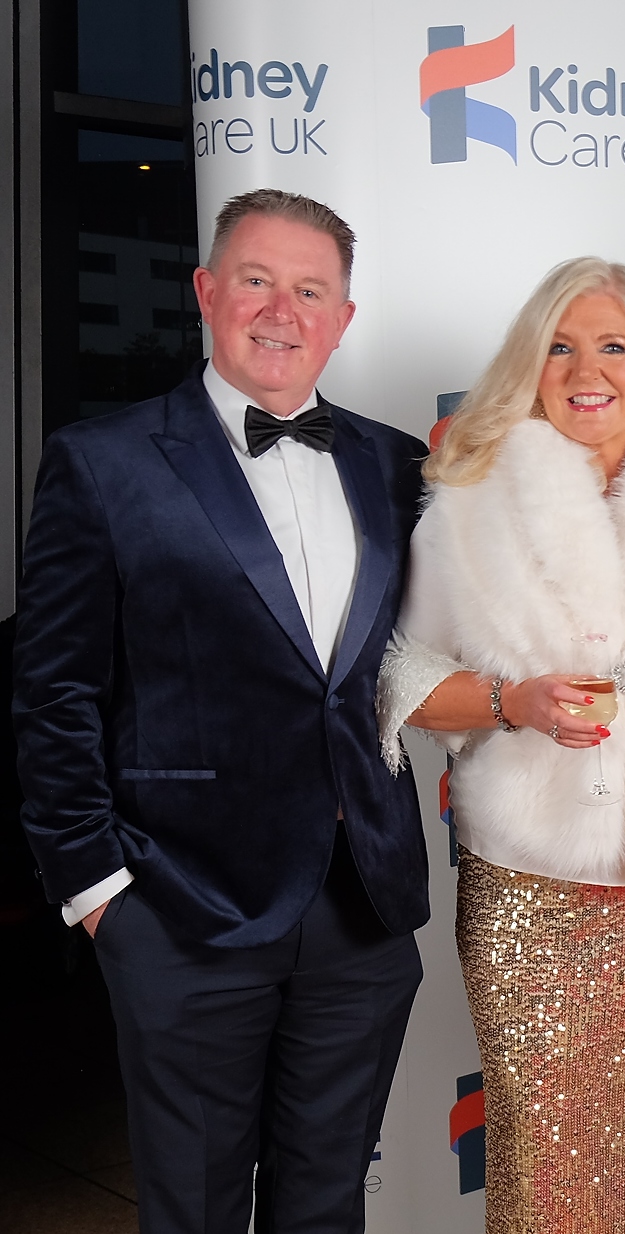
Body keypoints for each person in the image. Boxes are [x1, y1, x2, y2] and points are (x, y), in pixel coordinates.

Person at [13, 189, 428, 1232]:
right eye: (256, 280)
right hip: (179, 906)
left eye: (309, 289)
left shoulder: (396, 463)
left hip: (358, 907)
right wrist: (99, 891)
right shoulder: (101, 462)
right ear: (206, 292)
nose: (280, 310)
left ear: (342, 316)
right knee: (193, 1210)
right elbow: (53, 693)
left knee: (326, 1204)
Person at [377, 258, 625, 1232]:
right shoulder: (468, 503)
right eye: (562, 347)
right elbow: (404, 672)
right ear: (531, 367)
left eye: (615, 345)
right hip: (529, 894)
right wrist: (512, 701)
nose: (589, 369)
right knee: (545, 1168)